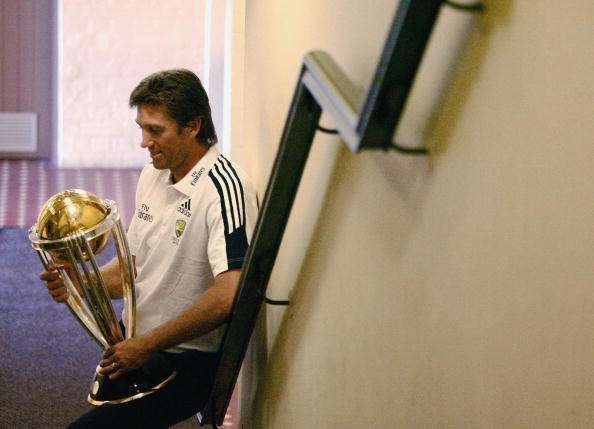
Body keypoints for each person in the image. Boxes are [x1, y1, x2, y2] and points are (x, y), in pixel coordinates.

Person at [39, 69, 258, 428]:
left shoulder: (224, 188)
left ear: (192, 126)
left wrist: (148, 345)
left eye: (155, 130)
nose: (144, 141)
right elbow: (133, 268)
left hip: (187, 361)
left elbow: (230, 294)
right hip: (138, 349)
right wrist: (78, 283)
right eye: (141, 127)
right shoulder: (152, 175)